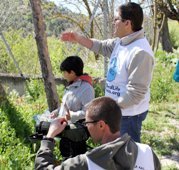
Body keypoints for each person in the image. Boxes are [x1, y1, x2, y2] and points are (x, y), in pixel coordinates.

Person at [60, 2, 154, 143]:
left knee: (125, 156)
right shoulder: (121, 42)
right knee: (112, 152)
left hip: (128, 116)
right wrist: (78, 38)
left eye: (116, 19)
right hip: (116, 112)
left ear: (127, 23)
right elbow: (101, 46)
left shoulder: (140, 52)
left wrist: (108, 108)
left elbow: (136, 93)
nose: (112, 23)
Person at [35, 96, 161, 170]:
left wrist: (49, 136)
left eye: (87, 123)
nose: (86, 127)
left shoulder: (86, 163)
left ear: (101, 125)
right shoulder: (148, 152)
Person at [51, 56, 95, 158]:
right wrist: (57, 112)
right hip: (66, 132)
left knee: (75, 162)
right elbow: (66, 106)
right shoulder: (72, 85)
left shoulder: (86, 88)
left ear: (72, 72)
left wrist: (72, 115)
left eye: (64, 72)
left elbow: (88, 112)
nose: (63, 75)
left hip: (76, 135)